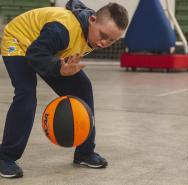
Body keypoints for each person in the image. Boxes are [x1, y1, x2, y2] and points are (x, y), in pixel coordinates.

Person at [0, 0, 129, 178]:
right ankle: (5, 157)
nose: (104, 43)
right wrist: (57, 68)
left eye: (112, 40)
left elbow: (47, 53)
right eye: (103, 35)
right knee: (26, 94)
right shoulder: (62, 29)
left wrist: (58, 67)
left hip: (47, 49)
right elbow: (35, 54)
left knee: (83, 88)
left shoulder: (91, 31)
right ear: (92, 20)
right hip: (20, 40)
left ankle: (85, 153)